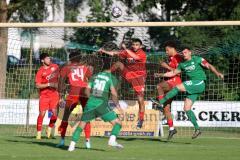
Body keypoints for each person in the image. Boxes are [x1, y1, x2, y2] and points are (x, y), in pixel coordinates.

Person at [152, 46, 224, 139]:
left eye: (185, 52)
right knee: (186, 108)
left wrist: (217, 73)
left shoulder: (197, 59)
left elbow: (209, 65)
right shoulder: (182, 64)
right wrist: (160, 75)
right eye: (183, 53)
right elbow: (173, 73)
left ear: (190, 52)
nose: (183, 54)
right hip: (194, 86)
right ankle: (197, 129)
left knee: (178, 87)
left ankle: (160, 102)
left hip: (199, 82)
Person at [68, 55, 124, 152]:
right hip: (101, 104)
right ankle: (112, 140)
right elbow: (114, 94)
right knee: (118, 123)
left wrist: (91, 99)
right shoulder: (111, 78)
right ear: (112, 67)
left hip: (90, 103)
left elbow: (86, 91)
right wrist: (119, 108)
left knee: (81, 125)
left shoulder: (94, 76)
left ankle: (71, 146)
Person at [99, 38, 146, 129]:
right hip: (129, 74)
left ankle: (141, 119)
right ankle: (106, 74)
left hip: (139, 78)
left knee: (140, 99)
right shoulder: (127, 52)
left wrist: (126, 49)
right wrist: (103, 51)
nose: (135, 46)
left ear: (140, 46)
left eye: (137, 45)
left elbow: (135, 57)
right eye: (134, 44)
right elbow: (114, 53)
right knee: (119, 64)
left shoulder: (142, 53)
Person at [56, 51, 92, 148]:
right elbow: (91, 79)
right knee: (86, 117)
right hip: (84, 93)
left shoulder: (66, 68)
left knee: (65, 117)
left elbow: (61, 82)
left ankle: (62, 141)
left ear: (70, 58)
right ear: (79, 58)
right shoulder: (85, 67)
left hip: (73, 94)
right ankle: (88, 141)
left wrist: (60, 96)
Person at [152, 41, 183, 140]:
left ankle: (160, 103)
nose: (166, 52)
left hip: (175, 82)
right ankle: (172, 129)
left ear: (172, 48)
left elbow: (178, 72)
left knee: (159, 86)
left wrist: (166, 66)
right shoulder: (171, 58)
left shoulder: (178, 57)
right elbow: (171, 71)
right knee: (166, 108)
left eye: (167, 50)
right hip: (170, 81)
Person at [35, 53, 59, 139]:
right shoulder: (40, 71)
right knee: (42, 114)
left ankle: (49, 129)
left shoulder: (55, 66)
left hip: (54, 94)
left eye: (49, 58)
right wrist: (49, 84)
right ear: (42, 60)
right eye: (47, 58)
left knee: (55, 114)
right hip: (44, 95)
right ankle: (38, 134)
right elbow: (37, 85)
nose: (49, 60)